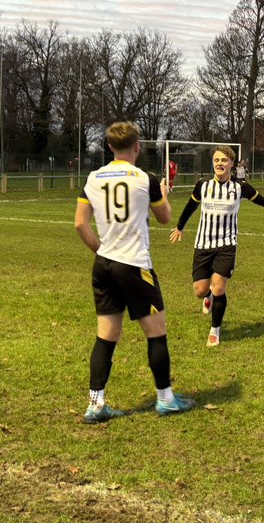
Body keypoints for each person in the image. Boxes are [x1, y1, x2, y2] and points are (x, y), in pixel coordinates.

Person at [74, 121, 195, 422]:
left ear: (110, 147)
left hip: (104, 265)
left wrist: (101, 251)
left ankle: (96, 403)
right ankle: (165, 399)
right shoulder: (145, 178)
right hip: (134, 264)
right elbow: (165, 217)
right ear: (137, 147)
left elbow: (80, 223)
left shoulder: (93, 178)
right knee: (156, 332)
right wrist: (163, 193)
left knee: (106, 336)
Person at [170, 145, 264, 346]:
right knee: (199, 290)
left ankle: (215, 330)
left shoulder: (240, 187)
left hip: (227, 244)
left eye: (224, 160)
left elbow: (260, 199)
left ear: (231, 163)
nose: (219, 163)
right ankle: (207, 297)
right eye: (216, 160)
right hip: (203, 243)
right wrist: (179, 227)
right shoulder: (203, 185)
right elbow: (191, 206)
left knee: (219, 287)